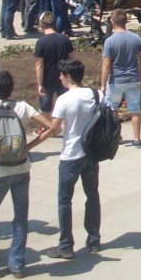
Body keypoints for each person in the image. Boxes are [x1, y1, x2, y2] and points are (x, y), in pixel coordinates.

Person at [0, 70, 52, 279]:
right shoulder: (22, 107)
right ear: (11, 88)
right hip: (21, 168)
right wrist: (29, 146)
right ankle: (17, 265)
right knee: (20, 218)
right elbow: (50, 127)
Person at [47, 59, 102, 258]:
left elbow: (55, 128)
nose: (59, 77)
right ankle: (94, 239)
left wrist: (35, 141)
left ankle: (65, 245)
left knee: (64, 201)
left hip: (70, 155)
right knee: (92, 195)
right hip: (91, 154)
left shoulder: (64, 99)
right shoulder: (96, 94)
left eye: (62, 74)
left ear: (69, 76)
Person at [101, 8, 141, 147]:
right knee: (135, 109)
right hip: (133, 78)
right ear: (126, 21)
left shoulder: (110, 41)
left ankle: (117, 135)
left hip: (116, 80)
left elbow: (106, 64)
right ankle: (137, 138)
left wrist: (103, 84)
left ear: (113, 22)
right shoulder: (136, 38)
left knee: (113, 109)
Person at [34, 11, 74, 116]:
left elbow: (40, 65)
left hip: (48, 80)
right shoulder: (64, 39)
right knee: (66, 105)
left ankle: (47, 128)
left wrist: (40, 84)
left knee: (45, 107)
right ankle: (66, 127)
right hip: (64, 78)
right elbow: (71, 59)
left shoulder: (41, 42)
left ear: (41, 24)